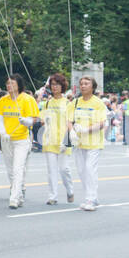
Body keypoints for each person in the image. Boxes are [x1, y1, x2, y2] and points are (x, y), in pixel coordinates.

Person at [0, 74, 39, 209]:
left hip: (21, 139)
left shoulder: (27, 99)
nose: (9, 86)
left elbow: (34, 119)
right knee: (10, 170)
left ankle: (14, 197)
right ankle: (18, 193)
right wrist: (3, 132)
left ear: (19, 85)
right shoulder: (3, 100)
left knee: (18, 168)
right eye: (8, 83)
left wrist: (25, 121)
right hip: (7, 140)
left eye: (12, 83)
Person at [69, 75, 108, 211]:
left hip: (94, 142)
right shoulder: (75, 102)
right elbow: (69, 119)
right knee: (82, 171)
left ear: (92, 87)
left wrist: (86, 130)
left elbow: (102, 123)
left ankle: (90, 199)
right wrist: (71, 132)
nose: (83, 86)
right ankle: (91, 196)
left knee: (90, 169)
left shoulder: (98, 103)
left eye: (86, 83)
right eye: (81, 84)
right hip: (79, 143)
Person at [41, 73, 74, 205]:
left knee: (64, 169)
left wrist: (66, 142)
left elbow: (71, 123)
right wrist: (44, 119)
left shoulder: (68, 103)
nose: (54, 87)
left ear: (62, 86)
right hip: (50, 140)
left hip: (64, 140)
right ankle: (52, 196)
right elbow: (43, 121)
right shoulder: (47, 103)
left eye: (57, 84)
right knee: (52, 170)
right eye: (53, 85)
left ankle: (70, 189)